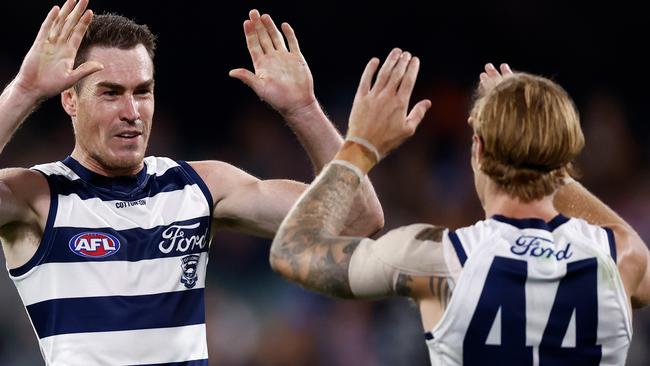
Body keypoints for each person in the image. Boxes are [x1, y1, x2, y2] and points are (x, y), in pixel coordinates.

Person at [0, 0, 383, 365]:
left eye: (142, 92)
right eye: (111, 93)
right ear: (70, 99)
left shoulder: (199, 186)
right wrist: (25, 90)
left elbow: (357, 219)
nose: (131, 112)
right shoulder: (38, 195)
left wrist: (304, 109)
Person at [270, 60, 650, 365]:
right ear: (564, 155)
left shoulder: (437, 259)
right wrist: (538, 134)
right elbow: (622, 236)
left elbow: (292, 251)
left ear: (477, 150)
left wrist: (360, 146)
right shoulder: (622, 258)